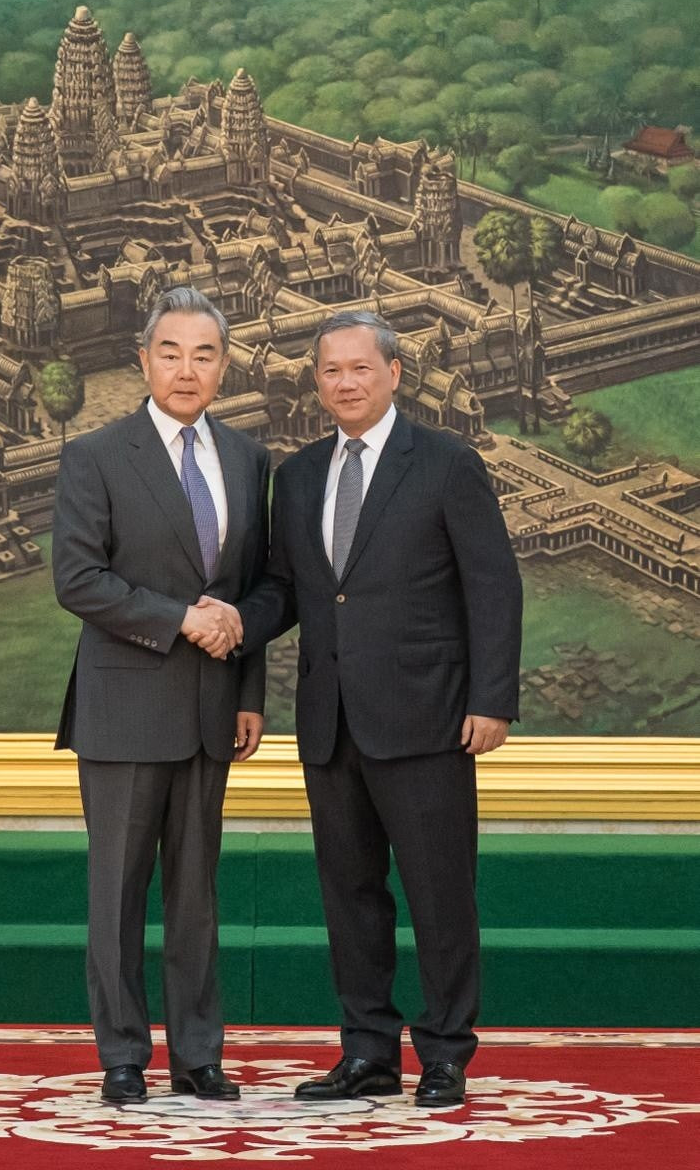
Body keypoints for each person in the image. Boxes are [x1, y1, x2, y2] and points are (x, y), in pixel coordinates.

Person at [196, 309, 522, 1108]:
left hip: (429, 718)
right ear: (316, 381)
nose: (344, 383)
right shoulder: (299, 474)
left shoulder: (446, 463)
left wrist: (491, 700)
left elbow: (493, 586)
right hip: (330, 721)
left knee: (439, 895)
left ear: (393, 374)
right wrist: (235, 621)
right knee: (350, 898)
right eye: (330, 371)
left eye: (359, 368)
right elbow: (287, 588)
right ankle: (367, 1051)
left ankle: (443, 1053)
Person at [52, 285, 269, 1105]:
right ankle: (121, 1055)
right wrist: (180, 620)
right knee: (116, 893)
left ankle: (198, 1056)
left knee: (196, 896)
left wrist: (248, 689)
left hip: (213, 710)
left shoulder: (248, 458)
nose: (186, 369)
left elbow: (252, 590)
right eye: (170, 353)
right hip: (123, 710)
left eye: (203, 354)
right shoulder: (97, 455)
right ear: (142, 361)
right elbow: (78, 579)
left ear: (224, 364)